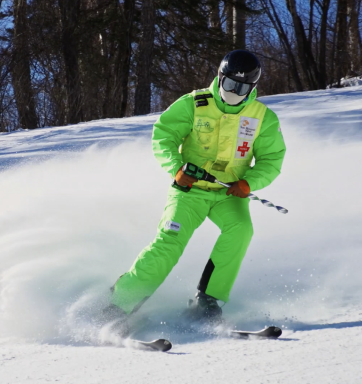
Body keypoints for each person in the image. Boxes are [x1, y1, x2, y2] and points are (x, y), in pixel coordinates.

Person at [106, 50, 286, 325]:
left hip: (228, 193)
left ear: (252, 87)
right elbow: (164, 136)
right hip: (189, 191)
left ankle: (208, 300)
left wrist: (249, 182)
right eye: (229, 85)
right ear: (219, 78)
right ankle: (119, 303)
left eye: (241, 87)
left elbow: (272, 159)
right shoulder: (194, 103)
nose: (234, 92)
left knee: (241, 231)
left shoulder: (262, 117)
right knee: (170, 242)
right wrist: (176, 169)